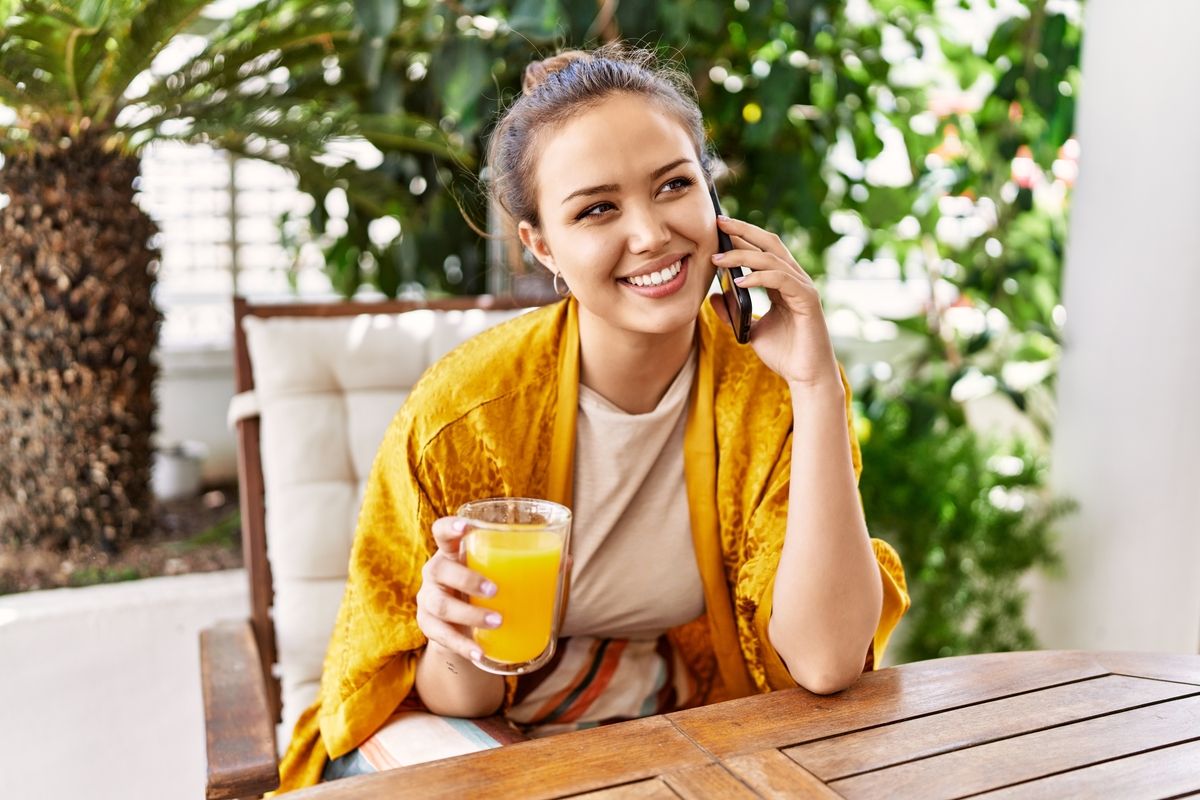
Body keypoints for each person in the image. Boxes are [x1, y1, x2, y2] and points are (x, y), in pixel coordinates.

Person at [275, 44, 909, 791]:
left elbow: (827, 663)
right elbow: (449, 697)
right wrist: (456, 637)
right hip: (465, 734)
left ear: (712, 195)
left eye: (674, 185)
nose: (651, 234)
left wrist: (816, 385)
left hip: (653, 721)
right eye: (597, 208)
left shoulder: (767, 387)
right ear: (542, 245)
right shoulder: (466, 415)